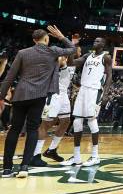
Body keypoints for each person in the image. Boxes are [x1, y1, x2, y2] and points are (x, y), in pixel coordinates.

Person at [0, 26, 77, 178]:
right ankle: (24, 167)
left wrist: (1, 96)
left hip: (21, 94)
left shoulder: (22, 53)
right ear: (46, 39)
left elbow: (10, 76)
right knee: (33, 130)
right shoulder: (53, 51)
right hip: (39, 96)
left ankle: (7, 169)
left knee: (14, 129)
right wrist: (61, 36)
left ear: (34, 40)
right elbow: (72, 49)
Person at [62, 37, 112, 167]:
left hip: (95, 90)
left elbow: (109, 75)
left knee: (91, 120)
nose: (95, 42)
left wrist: (106, 93)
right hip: (83, 89)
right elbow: (72, 63)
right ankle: (76, 156)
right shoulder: (87, 55)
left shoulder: (106, 57)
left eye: (98, 41)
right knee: (77, 121)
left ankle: (95, 156)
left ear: (103, 44)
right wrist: (72, 49)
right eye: (94, 41)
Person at [30, 56, 75, 166]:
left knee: (66, 121)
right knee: (46, 124)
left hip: (64, 95)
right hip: (53, 95)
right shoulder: (58, 60)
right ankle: (35, 155)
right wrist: (60, 61)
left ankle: (51, 150)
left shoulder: (72, 63)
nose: (78, 51)